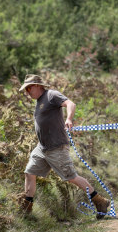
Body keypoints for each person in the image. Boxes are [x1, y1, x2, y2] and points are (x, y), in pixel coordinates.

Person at [18, 74, 110, 219]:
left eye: (29, 88)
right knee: (29, 172)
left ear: (37, 85)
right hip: (42, 147)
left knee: (71, 177)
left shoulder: (51, 95)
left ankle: (100, 201)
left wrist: (69, 119)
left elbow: (70, 104)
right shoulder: (39, 101)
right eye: (25, 89)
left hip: (57, 147)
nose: (27, 92)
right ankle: (26, 212)